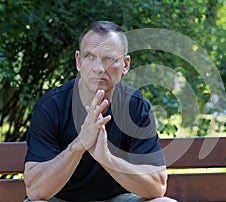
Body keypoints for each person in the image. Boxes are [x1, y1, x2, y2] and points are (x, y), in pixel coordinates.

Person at [24, 21, 177, 202]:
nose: (98, 68)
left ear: (125, 65)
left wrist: (106, 159)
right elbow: (35, 191)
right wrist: (78, 146)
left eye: (109, 59)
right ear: (78, 60)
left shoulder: (135, 106)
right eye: (90, 56)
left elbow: (157, 186)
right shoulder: (51, 106)